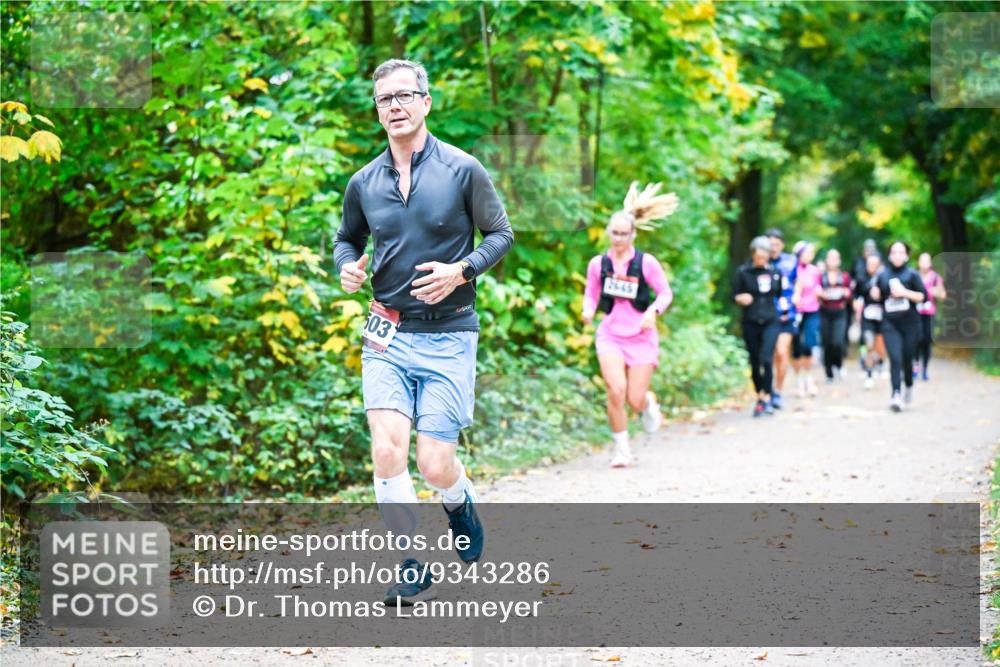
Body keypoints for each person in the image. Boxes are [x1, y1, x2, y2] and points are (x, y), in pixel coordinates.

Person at [334, 59, 514, 604]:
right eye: (385, 99)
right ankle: (410, 562)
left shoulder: (463, 169)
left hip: (450, 333)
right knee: (387, 450)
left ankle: (458, 500)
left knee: (434, 464)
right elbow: (346, 239)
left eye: (405, 96)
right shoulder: (364, 181)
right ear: (377, 109)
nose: (395, 106)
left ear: (426, 102)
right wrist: (347, 265)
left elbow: (501, 235)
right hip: (386, 334)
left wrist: (462, 270)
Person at [582, 182, 678, 467]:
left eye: (625, 234)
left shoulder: (646, 262)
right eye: (615, 233)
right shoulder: (598, 264)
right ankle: (622, 450)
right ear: (608, 233)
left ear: (634, 234)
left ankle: (647, 402)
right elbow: (591, 293)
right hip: (610, 334)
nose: (619, 239)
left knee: (634, 399)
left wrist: (653, 312)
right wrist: (587, 310)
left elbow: (665, 292)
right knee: (615, 390)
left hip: (641, 335)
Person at [868, 241, 927, 412]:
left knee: (907, 358)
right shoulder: (883, 275)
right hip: (890, 323)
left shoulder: (912, 275)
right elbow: (877, 296)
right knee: (895, 358)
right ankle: (895, 394)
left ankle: (908, 384)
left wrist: (904, 293)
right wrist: (875, 294)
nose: (897, 256)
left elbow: (923, 297)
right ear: (889, 255)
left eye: (901, 252)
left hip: (910, 323)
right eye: (894, 252)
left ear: (907, 255)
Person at [732, 236, 783, 417]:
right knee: (754, 360)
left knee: (766, 359)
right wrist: (741, 298)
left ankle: (767, 396)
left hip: (771, 320)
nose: (761, 260)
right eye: (758, 257)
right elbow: (734, 295)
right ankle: (759, 395)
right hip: (751, 321)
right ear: (753, 255)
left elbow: (780, 294)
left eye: (764, 257)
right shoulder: (743, 272)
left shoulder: (775, 272)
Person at [766, 228, 798, 410]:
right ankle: (767, 389)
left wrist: (797, 295)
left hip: (787, 314)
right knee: (767, 355)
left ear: (782, 245)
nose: (773, 247)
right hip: (766, 314)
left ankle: (778, 391)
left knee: (781, 352)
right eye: (770, 244)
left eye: (776, 244)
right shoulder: (761, 261)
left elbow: (799, 281)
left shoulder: (791, 262)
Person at [818, 248, 853, 382]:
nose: (832, 261)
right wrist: (820, 294)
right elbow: (815, 290)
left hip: (840, 312)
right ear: (827, 260)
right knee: (827, 343)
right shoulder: (821, 276)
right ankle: (828, 373)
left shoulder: (844, 276)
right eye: (830, 258)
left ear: (839, 261)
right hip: (825, 312)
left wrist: (847, 293)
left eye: (835, 258)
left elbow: (851, 293)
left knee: (837, 342)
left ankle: (838, 365)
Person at [791, 241, 821, 397]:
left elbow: (817, 287)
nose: (809, 256)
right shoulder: (792, 270)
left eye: (811, 253)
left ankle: (809, 379)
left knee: (809, 344)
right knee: (796, 346)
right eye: (806, 252)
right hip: (795, 312)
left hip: (811, 311)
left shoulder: (815, 270)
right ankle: (798, 381)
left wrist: (820, 293)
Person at [857, 253, 887, 390]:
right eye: (869, 264)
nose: (872, 267)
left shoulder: (885, 277)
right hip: (867, 316)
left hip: (882, 316)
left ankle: (881, 362)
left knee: (880, 346)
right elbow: (857, 293)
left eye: (875, 264)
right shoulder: (862, 277)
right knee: (869, 344)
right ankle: (869, 375)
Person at [915, 252, 946, 381]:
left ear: (930, 263)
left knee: (927, 341)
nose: (924, 264)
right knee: (917, 339)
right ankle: (915, 366)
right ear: (919, 263)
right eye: (922, 261)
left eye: (927, 261)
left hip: (929, 313)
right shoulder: (914, 276)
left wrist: (935, 292)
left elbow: (943, 295)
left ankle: (925, 369)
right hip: (915, 314)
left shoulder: (935, 278)